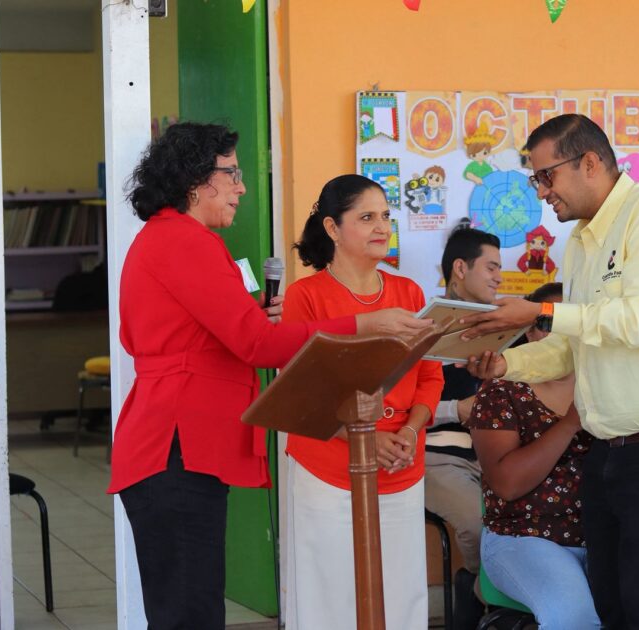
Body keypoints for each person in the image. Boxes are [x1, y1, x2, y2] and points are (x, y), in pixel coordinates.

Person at [108, 123, 427, 630]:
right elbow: (257, 345)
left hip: (175, 444)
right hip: (176, 445)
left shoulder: (168, 238)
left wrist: (247, 314)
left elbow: (166, 334)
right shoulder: (186, 241)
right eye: (231, 173)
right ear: (195, 180)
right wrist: (365, 322)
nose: (242, 187)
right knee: (190, 613)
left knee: (188, 608)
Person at [461, 113, 639, 629]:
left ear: (589, 163)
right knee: (611, 602)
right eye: (535, 180)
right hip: (612, 447)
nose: (542, 192)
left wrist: (539, 312)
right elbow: (574, 346)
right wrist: (505, 362)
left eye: (547, 176)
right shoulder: (582, 241)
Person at [282, 174, 445, 629]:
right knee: (328, 593)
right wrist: (364, 441)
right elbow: (299, 393)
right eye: (367, 217)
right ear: (332, 229)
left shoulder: (409, 293)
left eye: (386, 217)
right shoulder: (306, 297)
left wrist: (411, 431)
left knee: (402, 594)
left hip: (400, 466)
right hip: (327, 468)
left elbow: (429, 375)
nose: (381, 227)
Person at [469, 283, 600, 630]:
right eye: (548, 325)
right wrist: (571, 423)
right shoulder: (501, 390)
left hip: (604, 534)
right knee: (574, 617)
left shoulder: (608, 387)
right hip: (524, 538)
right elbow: (507, 484)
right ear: (529, 333)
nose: (561, 338)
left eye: (569, 325)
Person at [426, 223, 502, 628]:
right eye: (490, 267)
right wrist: (457, 409)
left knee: (535, 519)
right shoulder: (423, 327)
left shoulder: (503, 330)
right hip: (437, 457)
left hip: (497, 457)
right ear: (460, 268)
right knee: (479, 525)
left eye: (500, 268)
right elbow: (397, 403)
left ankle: (477, 594)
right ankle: (483, 591)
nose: (498, 277)